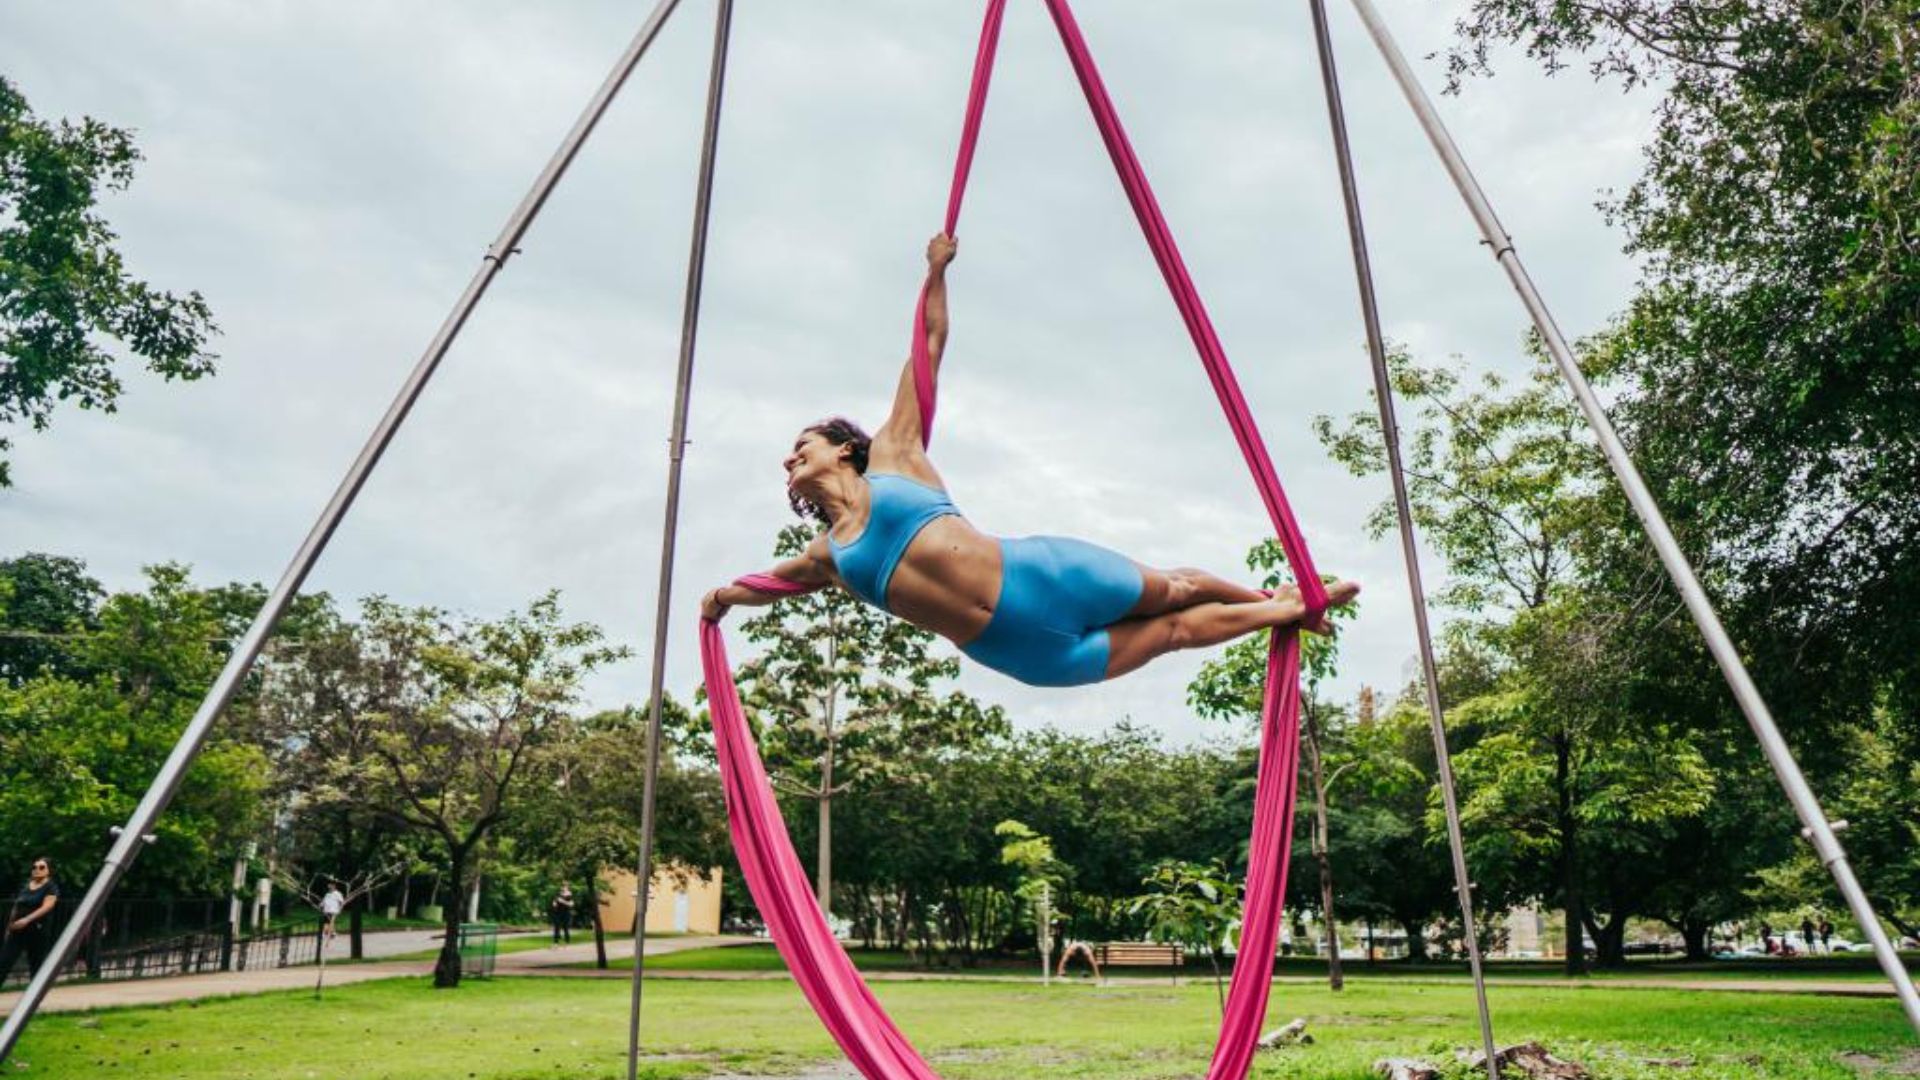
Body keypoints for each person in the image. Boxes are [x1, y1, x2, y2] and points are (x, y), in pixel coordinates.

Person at [701, 234, 1360, 688]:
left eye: (803, 444)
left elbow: (928, 343)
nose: (791, 456)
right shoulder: (827, 555)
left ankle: (1282, 604)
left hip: (1044, 578)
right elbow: (765, 585)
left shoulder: (896, 452)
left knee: (1181, 588)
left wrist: (936, 271)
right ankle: (1288, 607)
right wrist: (721, 598)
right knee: (1172, 635)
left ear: (844, 447)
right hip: (1021, 651)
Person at [0, 857, 61, 985]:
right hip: (17, 929)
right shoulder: (25, 885)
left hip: (37, 930)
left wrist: (27, 919)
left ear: (49, 870)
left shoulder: (51, 887)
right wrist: (9, 927)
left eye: (41, 867)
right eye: (34, 867)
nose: (37, 870)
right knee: (4, 961)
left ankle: (34, 998)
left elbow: (47, 906)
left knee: (36, 964)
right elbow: (17, 905)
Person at [319, 881, 346, 946]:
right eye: (329, 885)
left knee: (330, 923)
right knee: (326, 924)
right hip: (326, 911)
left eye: (330, 885)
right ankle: (333, 933)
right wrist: (321, 905)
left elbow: (342, 902)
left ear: (334, 886)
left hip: (333, 911)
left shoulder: (337, 894)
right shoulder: (327, 894)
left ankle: (327, 937)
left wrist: (340, 910)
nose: (329, 886)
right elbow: (323, 902)